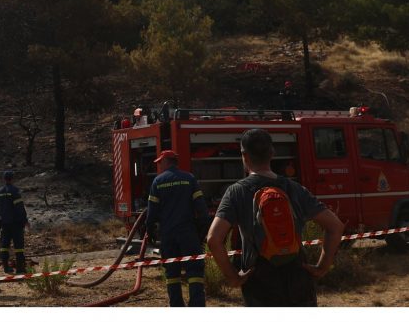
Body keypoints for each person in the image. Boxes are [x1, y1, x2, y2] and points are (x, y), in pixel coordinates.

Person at [207, 129, 344, 307]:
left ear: (244, 156)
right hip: (299, 282)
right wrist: (322, 267)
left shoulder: (236, 192)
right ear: (272, 153)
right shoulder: (295, 189)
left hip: (259, 285)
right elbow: (335, 227)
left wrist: (233, 277)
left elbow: (213, 239)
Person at [146, 150, 209, 307]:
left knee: (172, 272)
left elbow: (152, 211)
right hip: (188, 232)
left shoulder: (158, 181)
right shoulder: (189, 178)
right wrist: (202, 230)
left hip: (168, 235)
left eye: (160, 162)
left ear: (167, 161)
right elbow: (201, 208)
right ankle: (197, 306)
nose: (159, 165)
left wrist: (149, 231)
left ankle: (176, 306)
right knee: (194, 271)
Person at [0, 171, 29, 274]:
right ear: (12, 178)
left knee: (4, 246)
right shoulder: (15, 191)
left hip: (4, 224)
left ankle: (6, 268)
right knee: (18, 247)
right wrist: (25, 221)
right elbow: (19, 208)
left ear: (4, 179)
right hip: (16, 224)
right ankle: (20, 269)